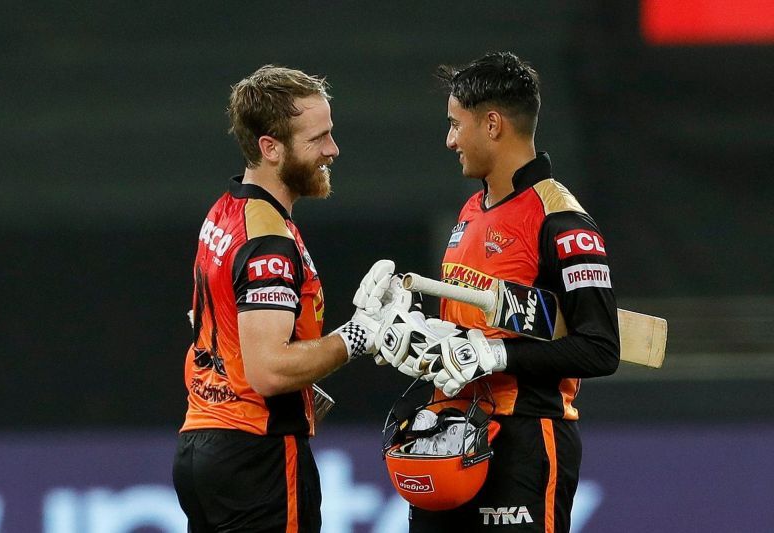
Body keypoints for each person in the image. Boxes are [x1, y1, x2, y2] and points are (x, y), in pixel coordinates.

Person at [377, 52, 620, 532]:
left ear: (492, 125)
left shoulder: (561, 220)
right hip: (453, 435)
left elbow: (600, 349)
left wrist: (498, 356)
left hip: (525, 439)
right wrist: (414, 334)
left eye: (455, 124)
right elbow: (469, 330)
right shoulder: (472, 208)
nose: (449, 140)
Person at [171, 65, 397, 533]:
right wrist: (361, 334)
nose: (332, 150)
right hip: (258, 456)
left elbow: (206, 317)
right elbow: (268, 370)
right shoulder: (269, 242)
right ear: (270, 148)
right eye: (317, 139)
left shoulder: (226, 210)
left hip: (203, 446)